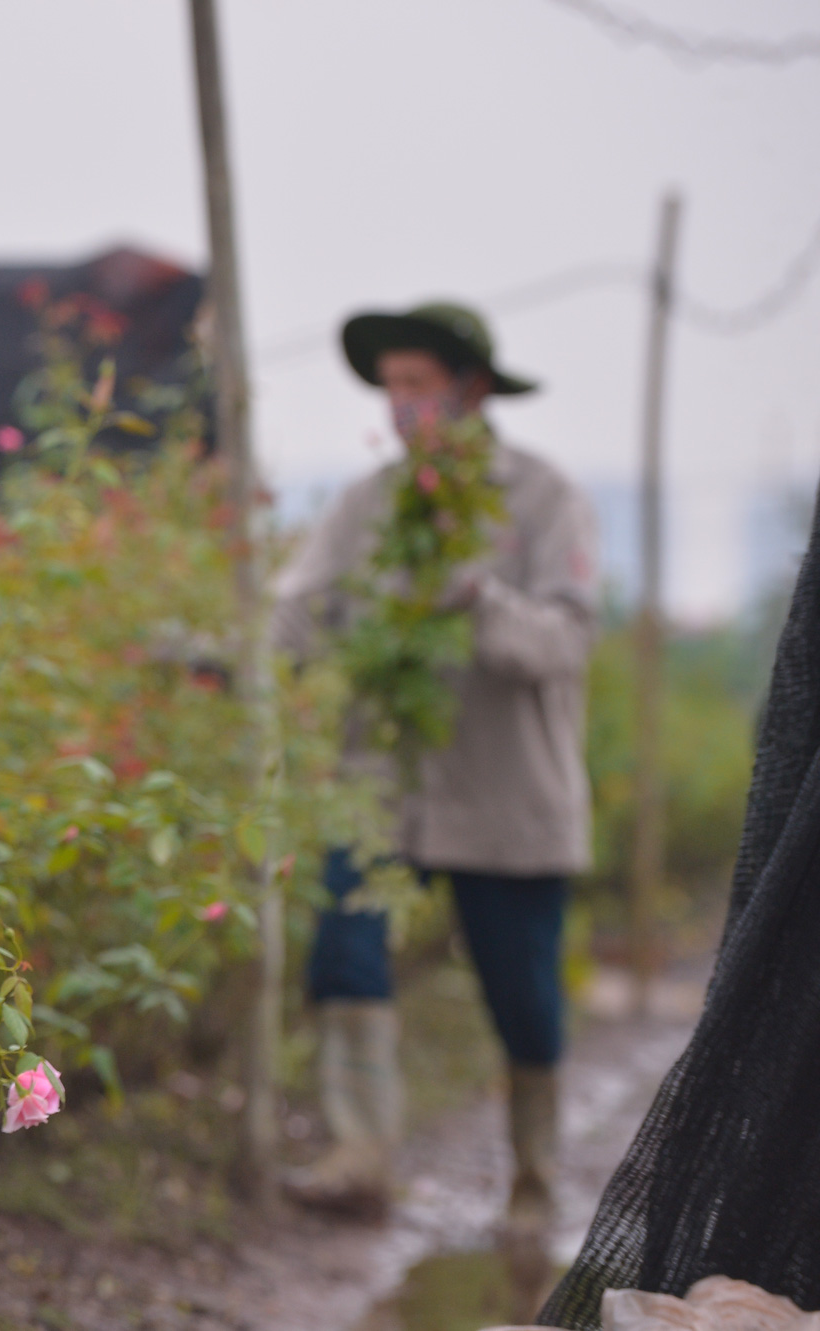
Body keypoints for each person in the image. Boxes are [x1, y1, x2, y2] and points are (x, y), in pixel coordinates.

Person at [271, 302, 600, 1231]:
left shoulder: (541, 498)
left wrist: (478, 599)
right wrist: (239, 655)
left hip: (510, 795)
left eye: (420, 383)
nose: (403, 403)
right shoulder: (369, 504)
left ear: (472, 390)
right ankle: (360, 1154)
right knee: (346, 949)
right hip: (387, 786)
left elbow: (565, 640)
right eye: (394, 386)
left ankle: (534, 1181)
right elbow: (299, 607)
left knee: (523, 997)